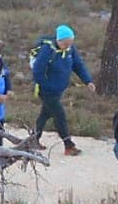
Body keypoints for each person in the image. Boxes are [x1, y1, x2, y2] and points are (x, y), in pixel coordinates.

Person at [28, 25, 93, 156]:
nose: (69, 46)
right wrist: (47, 86)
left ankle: (33, 140)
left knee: (45, 114)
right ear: (59, 40)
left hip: (58, 90)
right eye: (66, 43)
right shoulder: (47, 50)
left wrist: (88, 81)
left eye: (71, 43)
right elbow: (37, 71)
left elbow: (78, 65)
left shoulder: (70, 49)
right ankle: (68, 145)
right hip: (46, 90)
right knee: (60, 116)